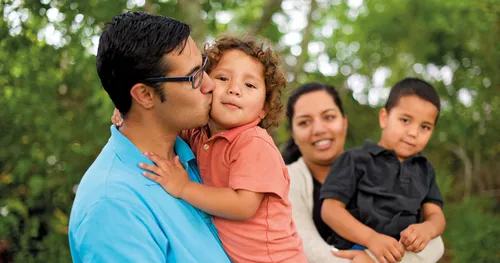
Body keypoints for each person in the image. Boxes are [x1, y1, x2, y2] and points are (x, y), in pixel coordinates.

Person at [68, 12, 232, 262]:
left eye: (204, 66)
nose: (210, 85)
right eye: (194, 76)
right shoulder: (112, 206)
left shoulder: (198, 149)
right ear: (144, 95)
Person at [135, 36, 308, 263]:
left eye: (250, 85)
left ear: (264, 108)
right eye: (223, 78)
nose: (234, 89)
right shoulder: (197, 132)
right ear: (205, 86)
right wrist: (134, 112)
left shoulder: (254, 143)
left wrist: (184, 187)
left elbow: (243, 205)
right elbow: (164, 122)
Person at [284, 82, 445, 263]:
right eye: (304, 122)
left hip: (396, 251)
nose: (413, 132)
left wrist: (427, 229)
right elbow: (307, 242)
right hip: (354, 249)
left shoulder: (424, 169)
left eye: (328, 117)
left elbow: (435, 230)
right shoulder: (355, 161)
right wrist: (370, 244)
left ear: (344, 122)